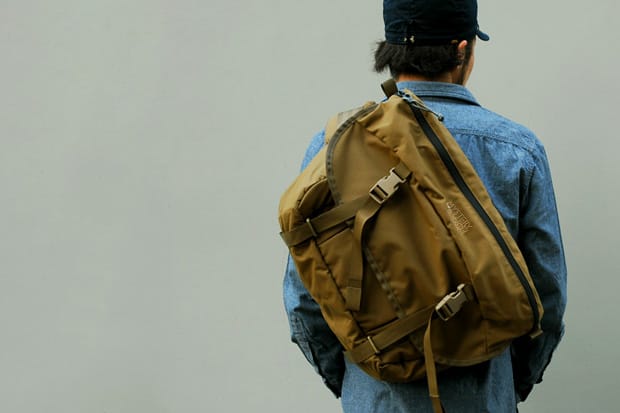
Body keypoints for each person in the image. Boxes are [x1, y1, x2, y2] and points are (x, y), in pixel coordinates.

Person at [282, 0, 567, 411]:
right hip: (484, 395)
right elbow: (548, 297)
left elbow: (305, 299)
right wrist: (505, 381)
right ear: (462, 50)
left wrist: (355, 379)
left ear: (391, 52)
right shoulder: (517, 150)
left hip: (376, 397)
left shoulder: (333, 148)